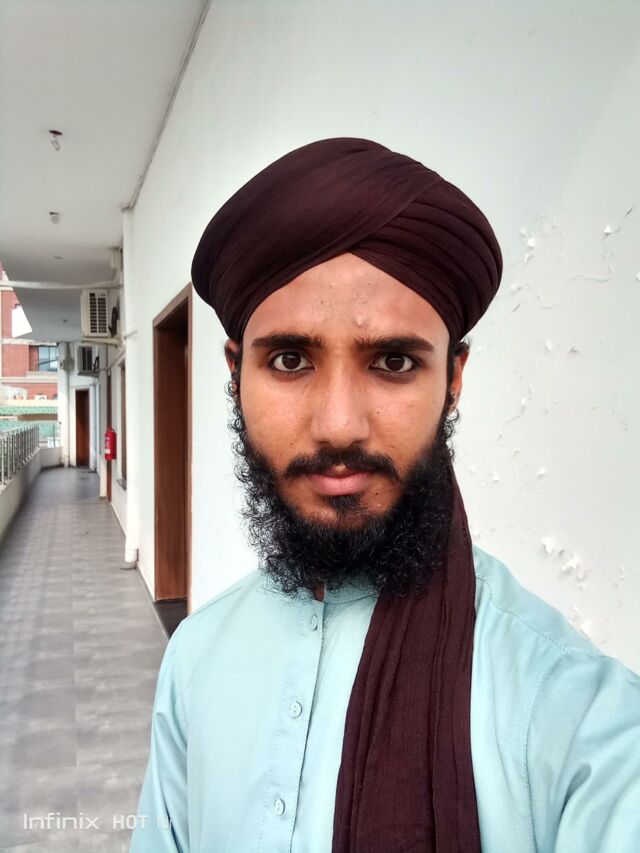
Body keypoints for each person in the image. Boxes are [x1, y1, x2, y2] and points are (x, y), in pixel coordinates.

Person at [129, 138, 640, 853]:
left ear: (453, 378)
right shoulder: (195, 659)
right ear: (235, 373)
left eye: (394, 361)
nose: (340, 424)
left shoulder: (579, 719)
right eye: (290, 359)